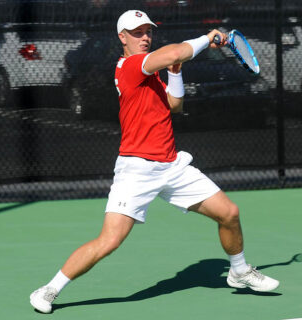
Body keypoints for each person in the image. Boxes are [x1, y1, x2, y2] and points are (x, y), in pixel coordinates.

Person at [29, 9, 279, 314]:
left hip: (172, 166)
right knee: (109, 241)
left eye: (148, 31)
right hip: (136, 170)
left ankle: (239, 271)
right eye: (137, 33)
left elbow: (174, 105)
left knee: (228, 213)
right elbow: (175, 50)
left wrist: (175, 71)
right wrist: (207, 37)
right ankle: (49, 289)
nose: (145, 37)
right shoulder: (132, 66)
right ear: (123, 38)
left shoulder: (152, 77)